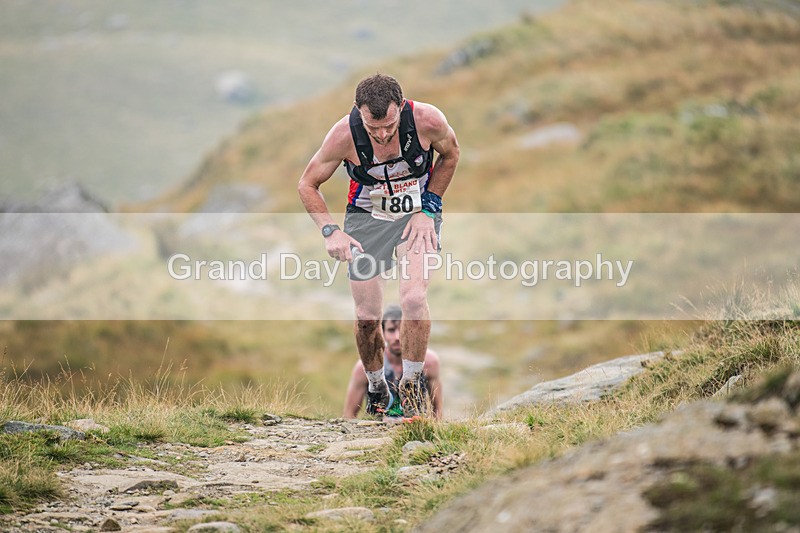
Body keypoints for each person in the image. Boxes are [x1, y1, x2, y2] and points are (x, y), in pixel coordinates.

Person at [298, 73, 459, 417]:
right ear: (358, 112)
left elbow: (451, 154)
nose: (383, 134)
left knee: (414, 298)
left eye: (389, 125)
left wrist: (429, 207)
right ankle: (375, 385)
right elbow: (307, 184)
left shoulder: (428, 120)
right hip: (366, 220)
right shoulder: (343, 135)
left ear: (401, 107)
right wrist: (331, 232)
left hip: (416, 214)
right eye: (374, 129)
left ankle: (412, 385)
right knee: (367, 316)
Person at [343, 305, 442, 419]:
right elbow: (349, 414)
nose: (397, 337)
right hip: (377, 428)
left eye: (402, 330)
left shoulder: (430, 362)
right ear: (382, 333)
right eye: (391, 330)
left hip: (414, 428)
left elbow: (438, 411)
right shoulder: (363, 367)